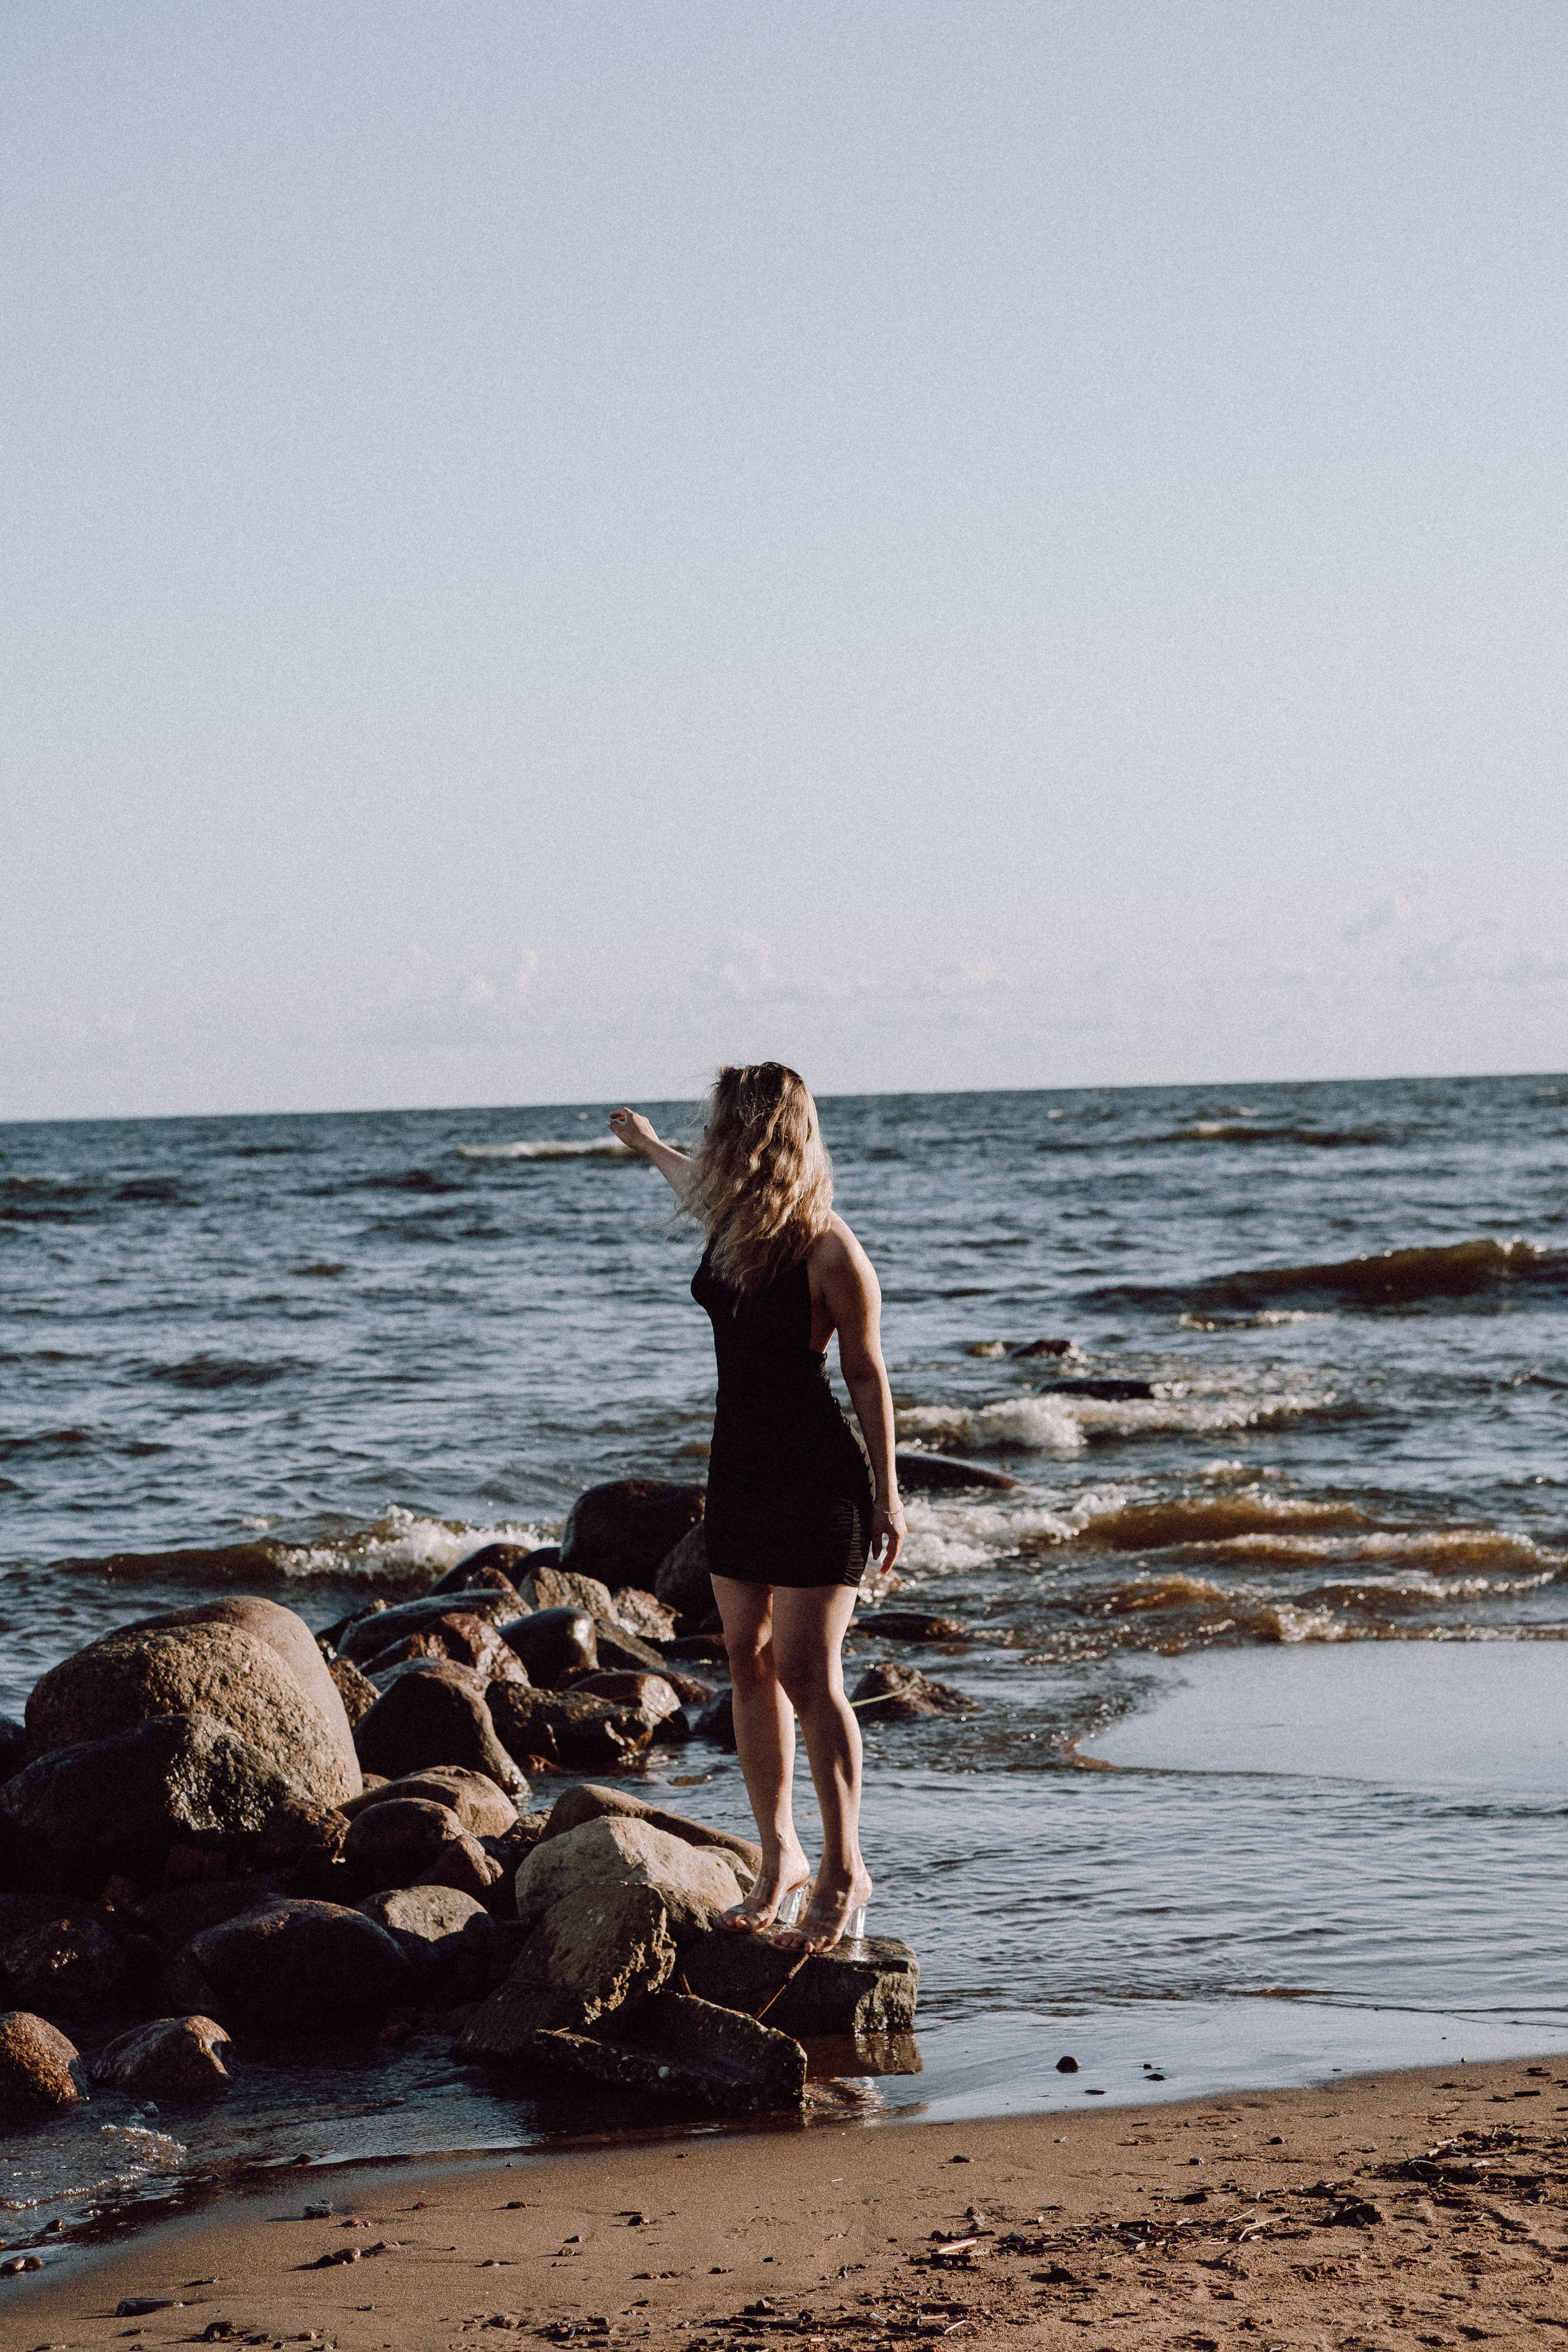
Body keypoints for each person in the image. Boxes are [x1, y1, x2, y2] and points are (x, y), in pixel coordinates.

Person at [609, 1065, 905, 1953]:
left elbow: (865, 1374)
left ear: (763, 1135)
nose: (714, 1142)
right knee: (747, 1659)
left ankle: (848, 1866)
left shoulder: (829, 1250)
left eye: (726, 1128)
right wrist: (646, 1142)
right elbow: (688, 1178)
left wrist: (889, 1494)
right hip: (738, 1472)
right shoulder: (736, 1223)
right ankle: (783, 1858)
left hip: (821, 1481)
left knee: (809, 1675)